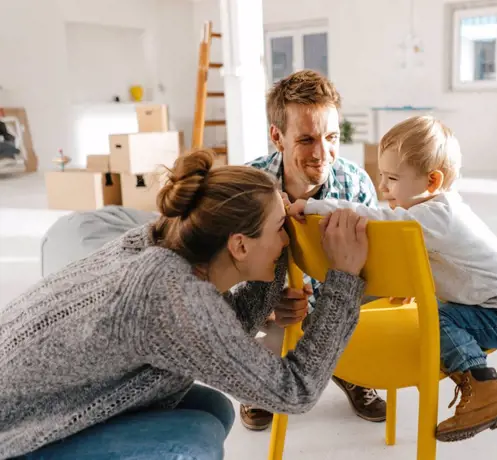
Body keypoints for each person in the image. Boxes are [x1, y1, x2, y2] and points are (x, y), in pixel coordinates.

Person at [0, 149, 371, 460]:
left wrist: (272, 279)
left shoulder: (161, 243)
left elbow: (214, 333)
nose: (287, 238)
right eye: (280, 228)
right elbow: (295, 390)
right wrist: (344, 278)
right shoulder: (166, 294)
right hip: (13, 436)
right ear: (240, 245)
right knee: (192, 441)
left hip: (30, 402)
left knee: (211, 408)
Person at [287, 116, 497, 442]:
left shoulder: (438, 215)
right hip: (493, 303)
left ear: (432, 182)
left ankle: (483, 388)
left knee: (437, 318)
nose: (382, 188)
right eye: (382, 176)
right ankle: (481, 385)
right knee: (435, 310)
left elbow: (379, 218)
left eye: (392, 178)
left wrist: (315, 207)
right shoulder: (426, 215)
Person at [244, 69, 386, 430]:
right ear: (277, 136)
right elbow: (223, 268)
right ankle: (255, 385)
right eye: (306, 139)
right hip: (278, 310)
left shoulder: (355, 184)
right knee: (250, 318)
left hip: (340, 303)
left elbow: (376, 266)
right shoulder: (248, 186)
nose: (323, 154)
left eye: (332, 137)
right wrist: (265, 302)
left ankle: (352, 371)